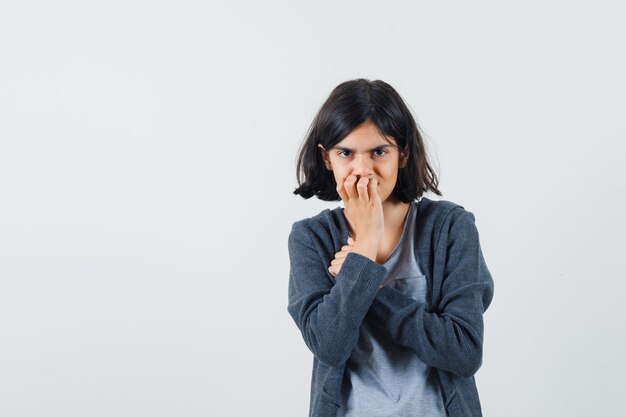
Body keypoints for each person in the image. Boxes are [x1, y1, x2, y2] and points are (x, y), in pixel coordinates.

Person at [287, 78, 494, 417]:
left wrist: (372, 285)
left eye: (379, 152)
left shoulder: (450, 227)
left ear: (403, 154)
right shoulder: (311, 238)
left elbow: (464, 352)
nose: (363, 169)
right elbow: (329, 345)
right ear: (326, 158)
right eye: (346, 153)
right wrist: (366, 242)